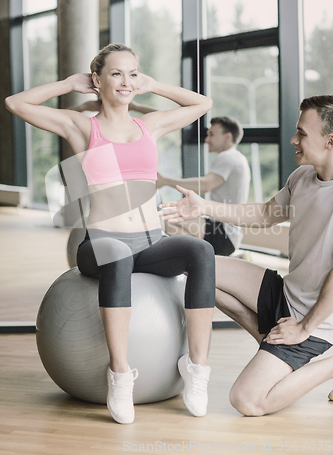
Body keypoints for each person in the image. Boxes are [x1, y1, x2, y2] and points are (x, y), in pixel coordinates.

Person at [5, 43, 216, 424]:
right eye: (116, 73)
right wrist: (68, 83)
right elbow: (15, 102)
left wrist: (153, 85)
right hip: (100, 243)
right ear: (97, 80)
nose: (126, 81)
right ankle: (120, 375)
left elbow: (202, 103)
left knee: (200, 252)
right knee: (116, 253)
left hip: (153, 242)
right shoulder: (81, 125)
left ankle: (196, 369)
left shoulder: (148, 124)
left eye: (132, 73)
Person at [160, 95, 333, 416]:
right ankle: (273, 343)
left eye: (302, 134)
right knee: (199, 267)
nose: (293, 140)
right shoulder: (303, 177)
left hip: (321, 321)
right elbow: (266, 213)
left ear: (329, 140)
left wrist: (306, 327)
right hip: (288, 293)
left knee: (247, 400)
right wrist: (204, 206)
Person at [157, 116, 251, 256]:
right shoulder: (238, 158)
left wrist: (165, 181)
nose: (207, 140)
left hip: (222, 232)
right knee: (171, 222)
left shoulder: (228, 156)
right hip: (226, 232)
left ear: (227, 137)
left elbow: (206, 184)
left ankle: (199, 261)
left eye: (211, 135)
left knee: (165, 218)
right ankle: (199, 262)